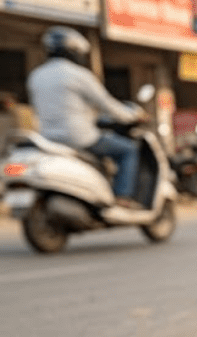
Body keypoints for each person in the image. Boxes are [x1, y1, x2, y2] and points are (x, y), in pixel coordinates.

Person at [27, 26, 145, 205]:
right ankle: (122, 197)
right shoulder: (79, 75)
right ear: (73, 51)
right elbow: (108, 105)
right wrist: (132, 115)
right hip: (80, 138)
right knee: (128, 150)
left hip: (47, 139)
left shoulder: (36, 76)